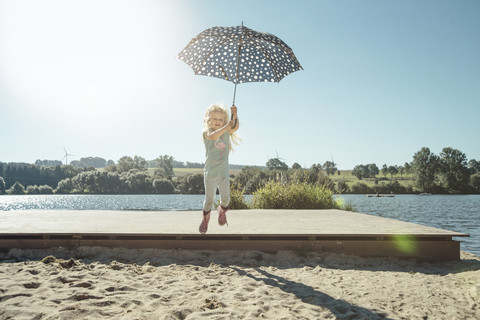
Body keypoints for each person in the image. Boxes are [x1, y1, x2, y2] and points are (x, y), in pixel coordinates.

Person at [199, 103, 240, 234]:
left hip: (223, 173)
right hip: (210, 173)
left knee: (226, 200)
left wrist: (235, 114)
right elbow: (213, 137)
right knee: (209, 200)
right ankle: (206, 219)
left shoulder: (226, 131)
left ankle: (222, 211)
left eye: (221, 119)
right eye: (215, 119)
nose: (217, 121)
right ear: (208, 119)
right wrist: (226, 126)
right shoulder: (206, 132)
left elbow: (234, 127)